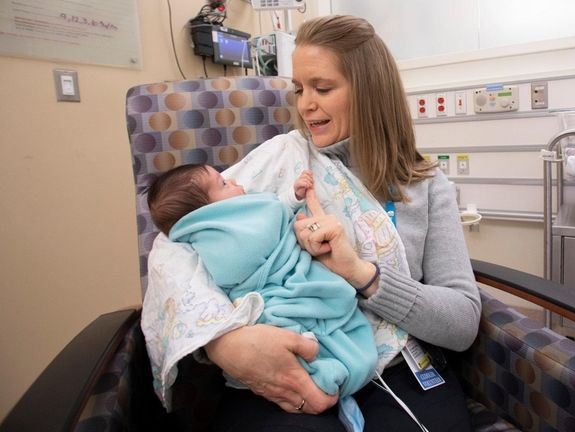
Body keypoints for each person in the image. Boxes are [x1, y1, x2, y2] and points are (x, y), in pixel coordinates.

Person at [141, 14, 481, 432]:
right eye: (299, 89)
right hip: (291, 359)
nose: (305, 105)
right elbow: (176, 245)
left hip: (395, 366)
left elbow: (462, 321)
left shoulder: (427, 187)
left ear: (371, 92)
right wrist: (224, 343)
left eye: (322, 88)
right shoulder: (280, 158)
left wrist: (362, 274)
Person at [146, 164, 377, 430]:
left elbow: (276, 210)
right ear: (209, 212)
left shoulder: (248, 211)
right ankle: (321, 372)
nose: (232, 180)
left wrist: (292, 196)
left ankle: (327, 371)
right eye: (222, 184)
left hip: (288, 288)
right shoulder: (212, 239)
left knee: (308, 327)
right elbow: (270, 216)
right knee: (286, 326)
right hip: (271, 302)